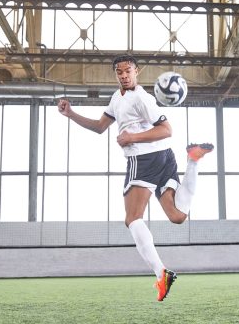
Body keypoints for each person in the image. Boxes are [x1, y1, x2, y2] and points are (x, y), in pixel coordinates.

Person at [58, 55, 213, 301]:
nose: (124, 75)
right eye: (119, 72)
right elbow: (100, 127)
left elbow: (166, 130)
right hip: (164, 158)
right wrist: (71, 114)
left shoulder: (141, 97)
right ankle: (193, 160)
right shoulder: (117, 98)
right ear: (115, 74)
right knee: (178, 216)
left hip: (143, 161)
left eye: (128, 71)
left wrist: (132, 138)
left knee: (132, 218)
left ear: (136, 71)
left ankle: (162, 274)